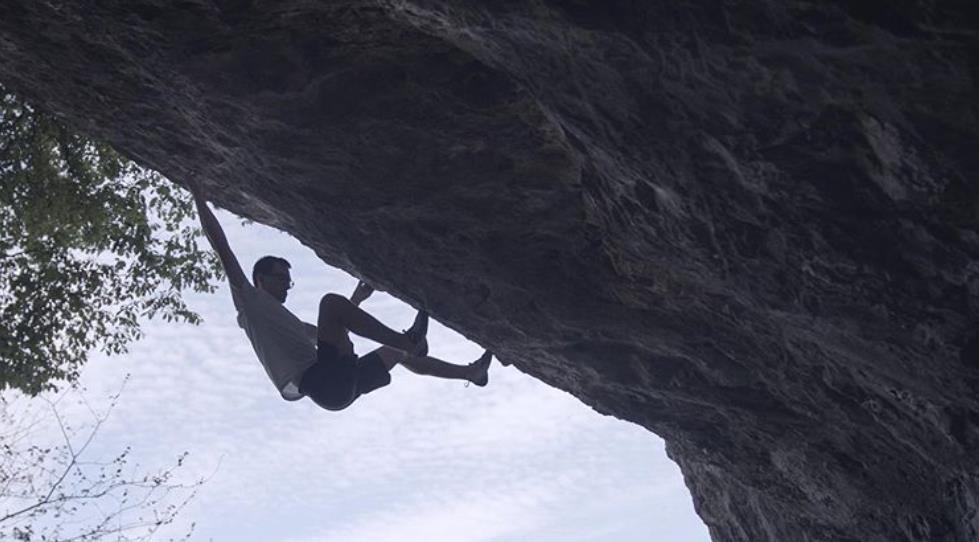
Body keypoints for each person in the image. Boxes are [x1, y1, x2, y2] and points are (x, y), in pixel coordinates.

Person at [185, 179, 493, 411]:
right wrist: (197, 194)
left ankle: (470, 372)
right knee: (330, 303)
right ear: (259, 279)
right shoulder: (249, 300)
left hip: (340, 389)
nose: (285, 286)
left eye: (289, 282)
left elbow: (330, 334)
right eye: (281, 279)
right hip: (323, 382)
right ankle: (407, 340)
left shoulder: (291, 324)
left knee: (398, 355)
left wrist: (356, 301)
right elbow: (221, 246)